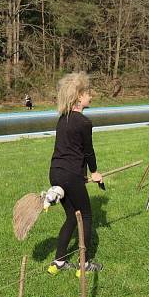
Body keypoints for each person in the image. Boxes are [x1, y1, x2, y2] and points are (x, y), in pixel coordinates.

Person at [46, 72, 103, 275]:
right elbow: (88, 152)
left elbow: (70, 149)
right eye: (88, 92)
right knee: (85, 216)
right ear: (79, 96)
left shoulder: (63, 119)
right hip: (70, 175)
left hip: (56, 173)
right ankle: (84, 264)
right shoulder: (84, 122)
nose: (91, 96)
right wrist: (95, 172)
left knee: (71, 216)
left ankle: (58, 263)